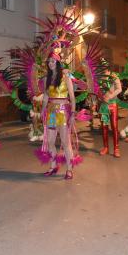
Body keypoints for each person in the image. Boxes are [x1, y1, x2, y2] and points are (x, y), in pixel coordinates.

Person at [38, 52, 79, 180]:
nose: (50, 63)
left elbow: (72, 97)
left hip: (63, 112)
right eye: (49, 61)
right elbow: (45, 97)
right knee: (50, 141)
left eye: (53, 61)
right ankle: (53, 166)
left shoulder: (66, 77)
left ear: (58, 63)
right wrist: (42, 110)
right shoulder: (47, 79)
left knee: (65, 142)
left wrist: (72, 113)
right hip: (51, 113)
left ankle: (69, 169)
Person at [98, 72, 122, 157]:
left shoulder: (114, 77)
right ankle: (106, 148)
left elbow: (119, 89)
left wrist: (110, 96)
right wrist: (101, 97)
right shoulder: (100, 78)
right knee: (104, 127)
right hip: (104, 106)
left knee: (114, 127)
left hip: (113, 105)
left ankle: (116, 148)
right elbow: (97, 91)